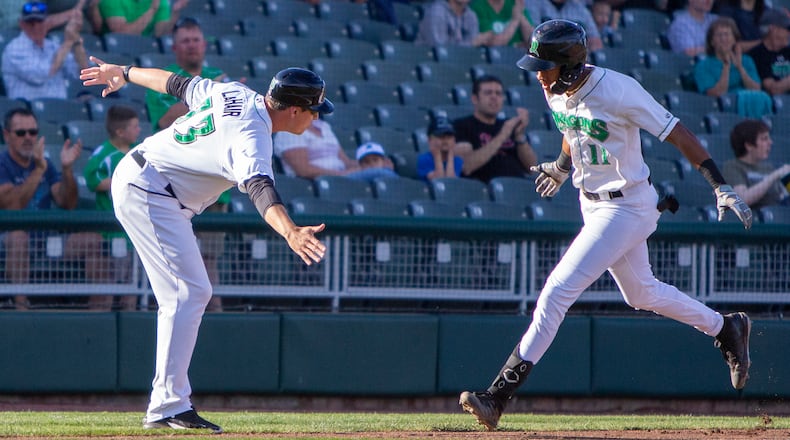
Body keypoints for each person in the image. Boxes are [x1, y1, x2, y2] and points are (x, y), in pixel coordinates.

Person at [458, 19, 754, 431]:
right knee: (641, 292)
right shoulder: (556, 89)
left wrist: (719, 186)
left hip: (628, 205)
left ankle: (497, 395)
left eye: (545, 66)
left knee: (557, 292)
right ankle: (727, 327)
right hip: (590, 202)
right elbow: (571, 129)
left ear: (570, 64)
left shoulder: (618, 89)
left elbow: (678, 133)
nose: (538, 75)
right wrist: (563, 168)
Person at [80, 58, 330, 432]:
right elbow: (261, 190)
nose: (315, 118)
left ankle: (169, 403)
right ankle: (167, 406)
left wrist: (126, 72)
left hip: (149, 183)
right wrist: (291, 231)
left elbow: (175, 84)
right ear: (294, 109)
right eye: (312, 110)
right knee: (190, 292)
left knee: (188, 293)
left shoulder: (234, 92)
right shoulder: (253, 136)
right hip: (150, 190)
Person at [145, 16, 230, 313]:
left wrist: (216, 93)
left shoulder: (217, 74)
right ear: (175, 47)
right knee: (175, 260)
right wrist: (213, 95)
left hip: (214, 185)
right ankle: (177, 312)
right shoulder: (165, 78)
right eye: (185, 41)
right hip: (174, 185)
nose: (192, 46)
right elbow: (167, 120)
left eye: (196, 40)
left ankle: (213, 315)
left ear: (204, 45)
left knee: (209, 258)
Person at [0, 108, 106, 311]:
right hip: (8, 243)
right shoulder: (3, 164)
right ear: (6, 135)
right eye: (21, 133)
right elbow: (12, 205)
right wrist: (38, 170)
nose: (29, 138)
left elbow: (67, 203)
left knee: (94, 240)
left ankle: (99, 313)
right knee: (19, 236)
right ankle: (22, 309)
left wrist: (67, 170)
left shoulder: (45, 163)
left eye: (33, 132)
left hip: (46, 241)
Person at [82, 104, 142, 310]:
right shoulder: (104, 154)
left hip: (136, 234)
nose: (139, 130)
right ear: (120, 131)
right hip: (110, 235)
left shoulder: (140, 151)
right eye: (134, 126)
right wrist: (123, 181)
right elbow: (93, 181)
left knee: (132, 290)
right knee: (105, 291)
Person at [452, 74, 537, 183]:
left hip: (518, 187)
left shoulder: (509, 126)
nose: (494, 97)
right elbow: (466, 167)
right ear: (474, 99)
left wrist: (519, 136)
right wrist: (503, 135)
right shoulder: (461, 125)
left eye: (498, 93)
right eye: (488, 93)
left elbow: (532, 168)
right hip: (485, 188)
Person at [1, 1, 89, 100]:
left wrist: (76, 40)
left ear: (47, 23)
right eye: (31, 23)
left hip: (59, 110)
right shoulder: (15, 48)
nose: (36, 27)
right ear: (22, 24)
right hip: (27, 110)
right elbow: (42, 75)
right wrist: (68, 43)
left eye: (40, 21)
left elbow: (83, 72)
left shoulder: (53, 46)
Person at [693, 17, 773, 118]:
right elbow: (716, 94)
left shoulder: (746, 60)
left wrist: (740, 67)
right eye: (719, 35)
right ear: (712, 41)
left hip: (751, 103)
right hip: (723, 111)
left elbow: (756, 89)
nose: (723, 39)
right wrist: (726, 65)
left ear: (734, 40)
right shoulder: (703, 66)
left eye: (727, 34)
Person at [722, 119, 790, 208]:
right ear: (749, 145)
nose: (770, 143)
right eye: (764, 139)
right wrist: (773, 176)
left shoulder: (768, 167)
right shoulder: (732, 167)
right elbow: (742, 200)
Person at [273, 119, 360, 179]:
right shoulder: (289, 132)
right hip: (321, 182)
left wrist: (366, 166)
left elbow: (346, 162)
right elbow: (304, 170)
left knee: (372, 171)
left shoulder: (324, 126)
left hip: (342, 177)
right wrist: (342, 175)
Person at [526, 0, 605, 51]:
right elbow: (531, 38)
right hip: (545, 58)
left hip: (575, 61)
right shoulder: (534, 2)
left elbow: (596, 42)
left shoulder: (580, 8)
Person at [747, 8, 790, 96]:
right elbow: (773, 89)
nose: (789, 33)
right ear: (773, 29)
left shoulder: (788, 51)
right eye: (787, 29)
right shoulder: (757, 54)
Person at [416, 0, 488, 47]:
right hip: (432, 64)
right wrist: (471, 44)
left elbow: (472, 50)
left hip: (458, 64)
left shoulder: (471, 16)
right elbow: (439, 48)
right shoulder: (437, 12)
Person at [98, 0, 189, 37]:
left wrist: (175, 11)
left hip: (146, 48)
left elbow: (160, 33)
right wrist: (152, 10)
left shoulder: (159, 1)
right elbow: (123, 34)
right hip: (118, 52)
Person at [417, 115, 464, 181]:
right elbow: (439, 181)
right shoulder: (424, 159)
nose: (445, 140)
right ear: (430, 140)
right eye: (441, 137)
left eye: (449, 137)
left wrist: (450, 156)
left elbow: (450, 182)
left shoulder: (457, 160)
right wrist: (437, 156)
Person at [469, 0, 533, 47]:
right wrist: (515, 21)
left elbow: (533, 41)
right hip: (494, 59)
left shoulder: (514, 3)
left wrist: (521, 16)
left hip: (518, 56)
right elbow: (494, 43)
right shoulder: (478, 7)